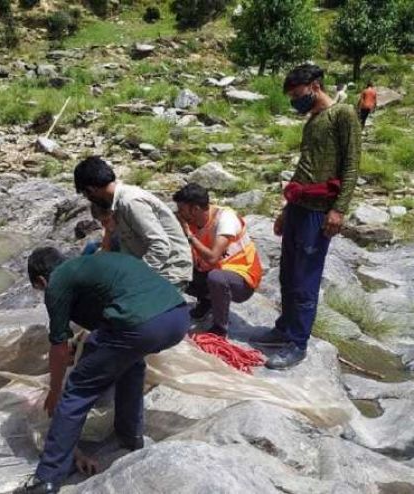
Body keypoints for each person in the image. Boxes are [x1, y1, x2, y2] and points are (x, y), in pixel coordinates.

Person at [15, 248, 189, 493]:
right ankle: (131, 437)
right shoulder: (92, 265)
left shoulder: (57, 282)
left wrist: (54, 391)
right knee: (131, 362)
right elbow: (103, 325)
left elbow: (58, 347)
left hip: (140, 326)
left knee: (77, 391)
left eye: (40, 288)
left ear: (42, 281)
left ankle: (48, 478)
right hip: (178, 318)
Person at [250, 64, 360, 369]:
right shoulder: (312, 120)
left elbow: (351, 165)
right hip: (299, 206)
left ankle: (298, 344)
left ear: (314, 86)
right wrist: (286, 209)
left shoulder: (343, 114)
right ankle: (284, 328)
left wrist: (339, 209)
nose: (294, 101)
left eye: (296, 94)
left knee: (306, 279)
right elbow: (305, 167)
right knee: (287, 272)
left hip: (319, 212)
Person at [73, 156, 192, 288]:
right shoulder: (117, 205)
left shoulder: (131, 202)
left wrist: (134, 277)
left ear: (91, 189)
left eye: (86, 194)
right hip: (151, 270)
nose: (89, 199)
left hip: (169, 272)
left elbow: (160, 246)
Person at [173, 183, 262, 336]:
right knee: (176, 268)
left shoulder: (225, 219)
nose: (179, 213)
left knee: (216, 277)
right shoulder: (192, 220)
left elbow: (213, 258)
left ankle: (220, 328)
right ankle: (206, 301)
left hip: (242, 279)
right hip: (210, 270)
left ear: (195, 209)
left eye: (182, 210)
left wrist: (188, 234)